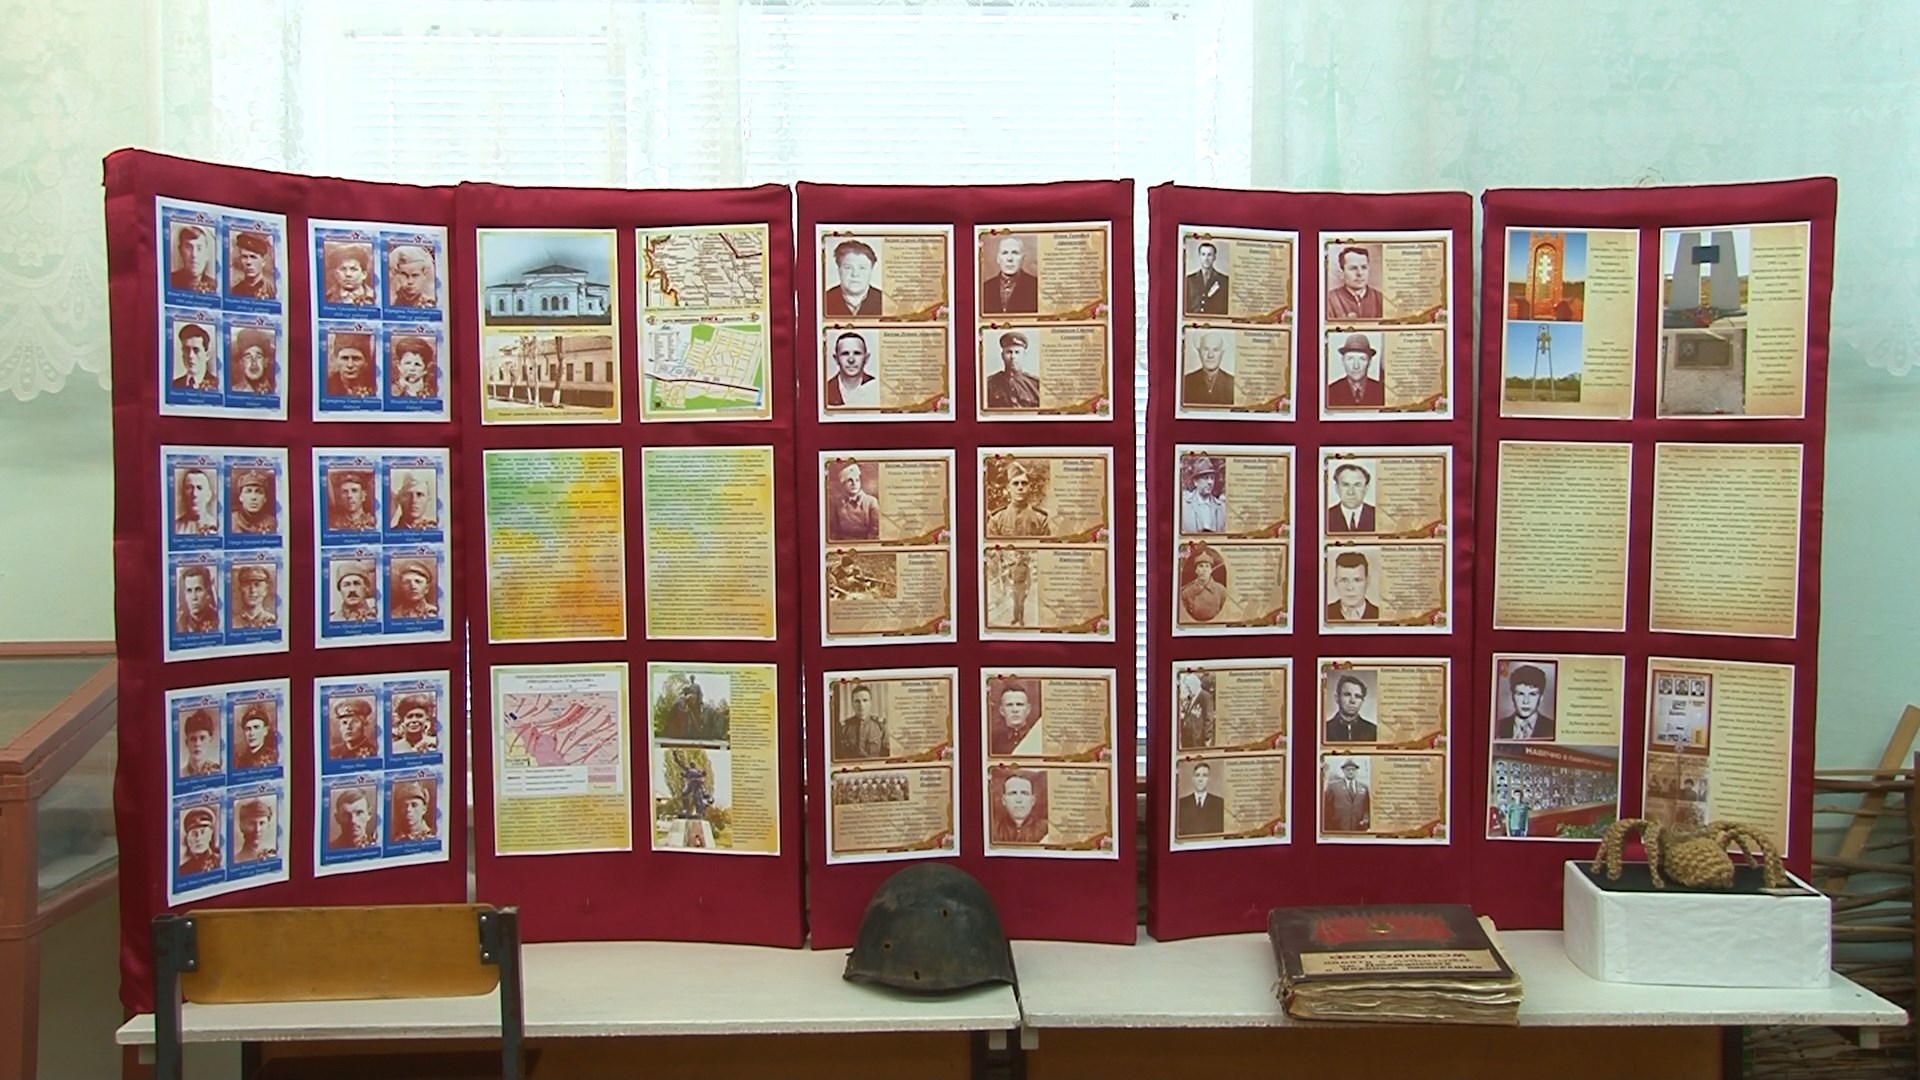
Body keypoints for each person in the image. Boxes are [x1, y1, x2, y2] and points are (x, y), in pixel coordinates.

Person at [985, 460, 1049, 537]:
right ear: (1008, 488)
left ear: (1029, 487)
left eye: (1024, 483)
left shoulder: (1041, 519)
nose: (1020, 487)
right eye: (1015, 483)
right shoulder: (996, 519)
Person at [823, 240, 884, 317]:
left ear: (871, 270)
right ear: (839, 270)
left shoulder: (887, 302)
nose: (855, 274)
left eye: (862, 268)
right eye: (848, 267)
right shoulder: (823, 300)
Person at [981, 236, 1038, 315]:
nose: (1010, 258)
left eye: (1015, 253)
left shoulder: (1036, 286)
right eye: (1005, 253)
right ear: (998, 259)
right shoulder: (985, 288)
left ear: (1023, 259)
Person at [1496, 664, 1556, 740]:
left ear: (1541, 697)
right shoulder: (1498, 726)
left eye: (1532, 694)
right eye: (1520, 694)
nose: (1526, 701)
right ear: (1512, 696)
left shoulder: (1553, 728)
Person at [984, 330, 1041, 410]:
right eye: (1009, 352)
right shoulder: (989, 384)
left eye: (1017, 352)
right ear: (1002, 355)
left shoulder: (1035, 384)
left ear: (1024, 355)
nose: (1013, 357)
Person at [1326, 333, 1384, 408]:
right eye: (1350, 359)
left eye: (1362, 359)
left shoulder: (1382, 392)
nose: (1356, 366)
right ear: (1343, 360)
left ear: (1369, 362)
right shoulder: (1330, 392)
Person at [1326, 245, 1383, 320]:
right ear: (1342, 273)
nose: (1360, 273)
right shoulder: (1330, 299)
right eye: (1353, 268)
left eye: (1364, 267)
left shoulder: (1380, 298)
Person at [827, 461, 880, 542]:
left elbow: (875, 529)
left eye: (857, 480)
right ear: (843, 484)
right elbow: (834, 530)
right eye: (850, 480)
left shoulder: (871, 502)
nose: (854, 483)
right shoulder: (837, 502)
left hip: (866, 542)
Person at [834, 683, 889, 760]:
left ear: (870, 703)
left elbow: (886, 755)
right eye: (857, 701)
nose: (861, 705)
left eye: (865, 700)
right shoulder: (843, 728)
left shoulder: (881, 726)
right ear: (852, 704)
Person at [990, 771, 1048, 844]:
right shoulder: (992, 830)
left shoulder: (1047, 829)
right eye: (1013, 793)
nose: (1019, 800)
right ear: (1004, 800)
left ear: (1033, 800)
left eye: (1024, 793)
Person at [824, 331, 879, 407]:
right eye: (845, 353)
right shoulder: (825, 390)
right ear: (836, 359)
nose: (851, 360)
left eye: (857, 353)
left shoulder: (877, 389)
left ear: (866, 358)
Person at [1325, 551, 1380, 623]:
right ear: (1336, 583)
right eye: (1344, 580)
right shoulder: (1324, 613)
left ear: (1367, 582)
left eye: (1357, 580)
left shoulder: (1381, 615)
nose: (1350, 588)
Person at [1182, 331, 1234, 406]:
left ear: (1222, 353)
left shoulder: (1232, 383)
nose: (1210, 355)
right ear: (1199, 352)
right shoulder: (1186, 382)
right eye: (1206, 349)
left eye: (1215, 350)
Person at [1179, 544, 1228, 623]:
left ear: (1211, 570)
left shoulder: (1221, 590)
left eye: (1207, 566)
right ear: (1196, 570)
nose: (1204, 570)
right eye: (1201, 566)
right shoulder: (1186, 592)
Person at [1175, 761, 1227, 837]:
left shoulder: (1219, 803)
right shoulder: (1182, 803)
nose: (1200, 779)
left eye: (1204, 775)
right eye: (1197, 775)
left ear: (1208, 779)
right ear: (1193, 779)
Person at [989, 682, 1040, 756]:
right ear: (1002, 710)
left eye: (1019, 704)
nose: (1015, 710)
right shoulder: (992, 741)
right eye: (1009, 705)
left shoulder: (1038, 739)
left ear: (1028, 709)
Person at [1324, 674, 1378, 743]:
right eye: (1347, 694)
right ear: (1337, 698)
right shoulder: (1324, 729)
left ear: (1362, 701)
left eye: (1357, 696)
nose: (1352, 701)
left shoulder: (1374, 731)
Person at [1325, 463, 1377, 534]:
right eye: (1345, 485)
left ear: (1366, 488)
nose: (1351, 492)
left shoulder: (1379, 516)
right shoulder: (1325, 516)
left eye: (1357, 485)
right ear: (1337, 488)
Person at [1322, 759, 1371, 832]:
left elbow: (1367, 808)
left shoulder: (1363, 787)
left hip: (1358, 828)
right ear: (1343, 771)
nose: (1351, 772)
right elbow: (1326, 808)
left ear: (1356, 771)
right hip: (1337, 828)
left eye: (1353, 769)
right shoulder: (1333, 786)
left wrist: (1366, 819)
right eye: (1348, 770)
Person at [169, 224, 218, 293]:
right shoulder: (170, 281)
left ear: (207, 253)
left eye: (199, 248)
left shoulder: (216, 286)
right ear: (180, 251)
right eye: (188, 247)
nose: (194, 255)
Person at [325, 334, 378, 398]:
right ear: (336, 360)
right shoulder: (326, 386)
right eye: (344, 358)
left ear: (366, 362)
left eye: (356, 359)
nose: (350, 365)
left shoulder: (376, 385)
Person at [1181, 457, 1225, 533]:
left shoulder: (1221, 507)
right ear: (1195, 482)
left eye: (1212, 478)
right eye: (1205, 478)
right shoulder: (1184, 505)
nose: (1210, 482)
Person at [173, 467, 221, 535]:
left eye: (199, 488)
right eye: (189, 488)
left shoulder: (218, 526)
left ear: (208, 495)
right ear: (183, 494)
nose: (194, 494)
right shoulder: (175, 526)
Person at [229, 327, 277, 395]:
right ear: (241, 363)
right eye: (248, 357)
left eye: (259, 357)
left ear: (265, 362)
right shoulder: (234, 391)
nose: (254, 363)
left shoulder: (276, 390)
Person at [171, 323, 218, 392]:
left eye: (196, 350)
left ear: (207, 355)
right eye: (186, 349)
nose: (190, 355)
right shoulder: (174, 385)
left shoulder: (218, 385)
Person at [229, 231, 276, 299]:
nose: (248, 262)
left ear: (263, 262)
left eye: (253, 257)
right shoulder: (235, 290)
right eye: (244, 257)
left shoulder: (272, 291)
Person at [175, 564, 221, 635]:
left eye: (198, 590)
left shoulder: (218, 620)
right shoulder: (179, 624)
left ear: (207, 592)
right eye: (189, 591)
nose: (194, 597)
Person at [229, 468, 277, 535]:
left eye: (259, 492)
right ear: (241, 497)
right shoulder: (230, 521)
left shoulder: (273, 523)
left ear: (265, 498)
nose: (253, 497)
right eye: (248, 491)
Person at [229, 565, 276, 629]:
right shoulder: (231, 623)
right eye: (247, 585)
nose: (252, 590)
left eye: (257, 585)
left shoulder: (275, 622)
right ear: (240, 589)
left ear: (265, 590)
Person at [177, 806, 222, 875]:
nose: (198, 838)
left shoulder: (221, 861)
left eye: (203, 832)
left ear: (210, 835)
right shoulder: (182, 870)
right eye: (194, 833)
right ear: (188, 839)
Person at [232, 703, 279, 769]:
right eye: (248, 729)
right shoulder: (239, 761)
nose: (251, 733)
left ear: (265, 731)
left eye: (256, 727)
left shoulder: (274, 757)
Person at [179, 708, 222, 776]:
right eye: (193, 739)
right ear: (187, 743)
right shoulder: (180, 775)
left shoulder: (219, 772)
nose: (197, 744)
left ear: (210, 741)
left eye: (202, 738)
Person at [233, 798, 277, 863]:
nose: (257, 829)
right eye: (251, 823)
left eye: (262, 823)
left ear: (268, 826)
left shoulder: (273, 855)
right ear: (241, 826)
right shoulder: (237, 861)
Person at [1178, 672, 1215, 750]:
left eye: (1188, 687)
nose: (1188, 690)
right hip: (1189, 737)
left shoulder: (1205, 697)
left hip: (1198, 738)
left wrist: (1207, 737)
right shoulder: (1192, 697)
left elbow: (1209, 718)